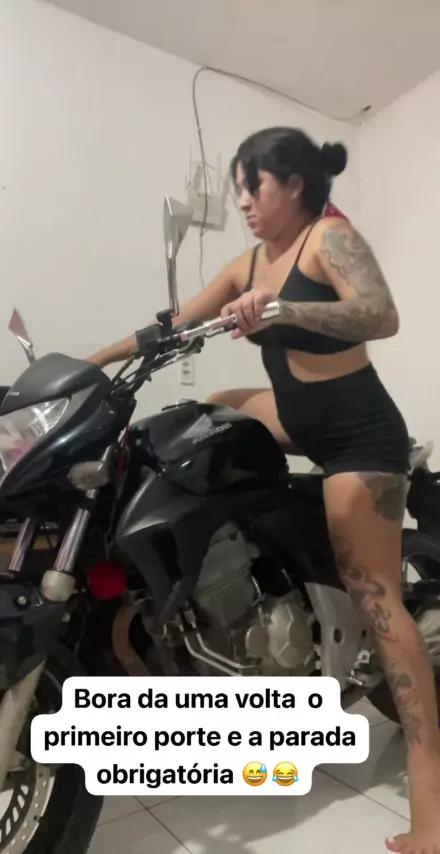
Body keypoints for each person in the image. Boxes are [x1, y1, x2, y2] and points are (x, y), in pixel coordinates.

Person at [88, 127, 440, 853]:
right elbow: (173, 324)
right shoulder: (247, 264)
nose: (244, 201)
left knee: (377, 599)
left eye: (254, 186)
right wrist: (90, 366)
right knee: (204, 421)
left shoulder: (327, 239)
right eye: (240, 189)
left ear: (295, 186)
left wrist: (284, 310)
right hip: (295, 415)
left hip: (359, 436)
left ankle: (431, 805)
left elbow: (381, 314)